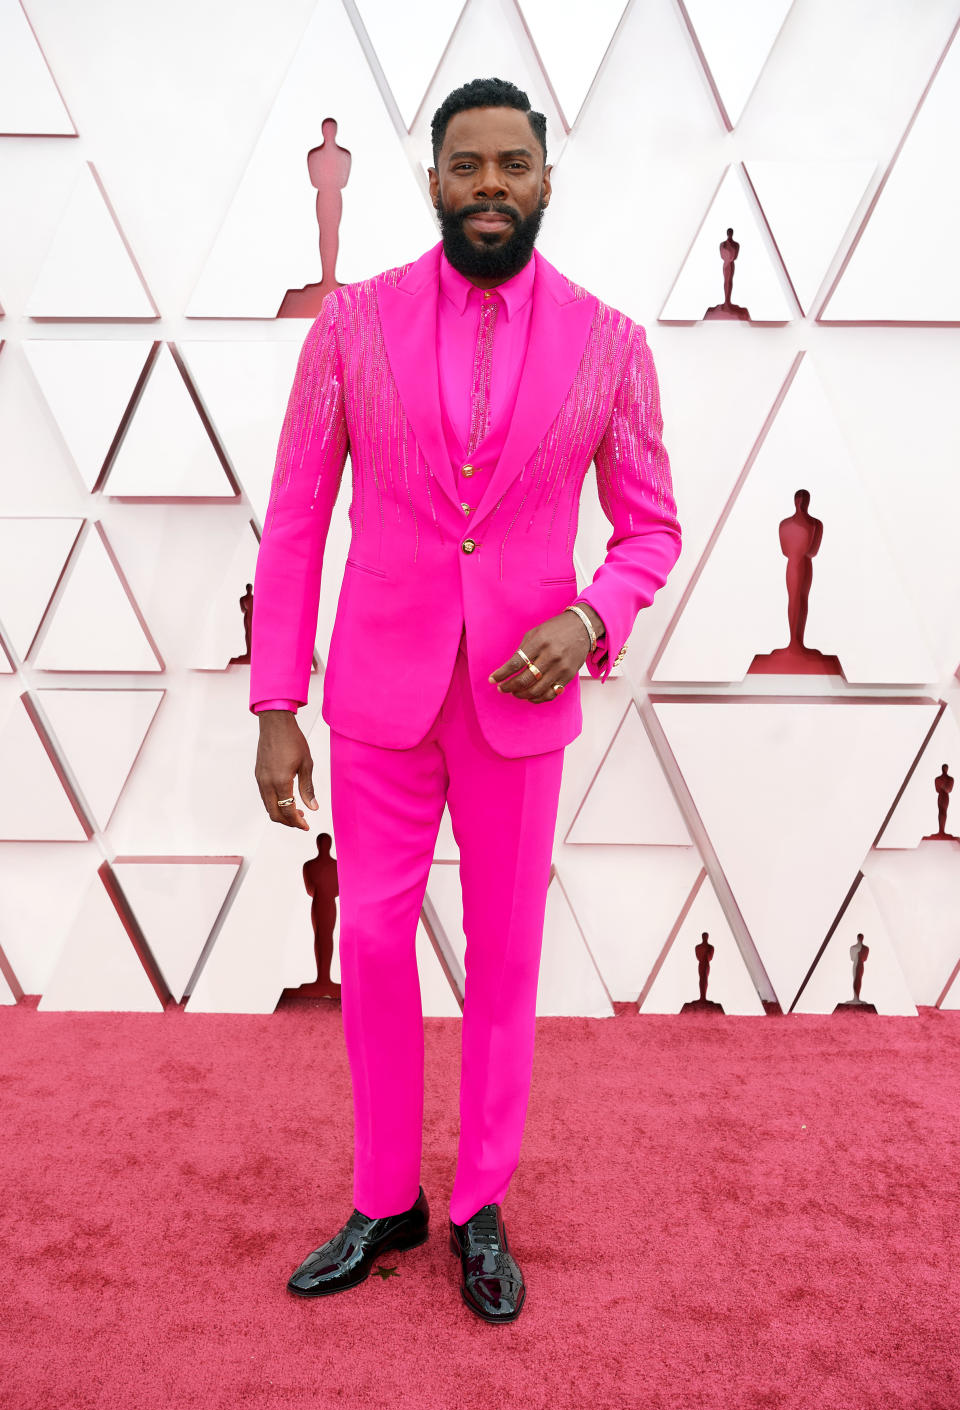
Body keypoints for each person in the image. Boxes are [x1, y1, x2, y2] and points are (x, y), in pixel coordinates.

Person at [249, 76, 682, 1324]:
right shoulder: (349, 329)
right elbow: (295, 522)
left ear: (545, 181)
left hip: (519, 698)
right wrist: (278, 701)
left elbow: (649, 530)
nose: (489, 185)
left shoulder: (612, 345)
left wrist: (592, 614)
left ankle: (481, 1201)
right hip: (377, 693)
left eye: (512, 165)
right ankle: (385, 1196)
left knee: (504, 959)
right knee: (376, 943)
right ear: (433, 179)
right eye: (466, 165)